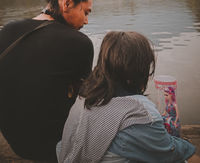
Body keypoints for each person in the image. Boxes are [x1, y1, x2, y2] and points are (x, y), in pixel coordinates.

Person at [57, 31, 195, 163]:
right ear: (140, 70)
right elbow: (169, 152)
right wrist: (188, 146)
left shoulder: (86, 95)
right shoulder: (139, 112)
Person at [0, 0, 94, 161]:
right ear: (67, 2)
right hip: (51, 145)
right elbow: (86, 101)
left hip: (13, 138)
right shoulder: (79, 42)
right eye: (86, 12)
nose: (86, 21)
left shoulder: (8, 29)